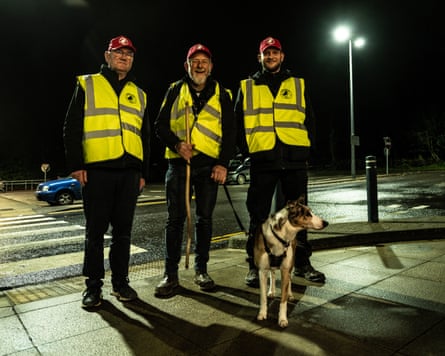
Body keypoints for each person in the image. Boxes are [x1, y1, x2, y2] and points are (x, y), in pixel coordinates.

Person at [63, 35, 151, 308]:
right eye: (119, 52)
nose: (125, 57)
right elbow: (72, 126)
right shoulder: (88, 84)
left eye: (129, 54)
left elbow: (144, 136)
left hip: (129, 172)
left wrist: (143, 173)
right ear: (107, 56)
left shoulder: (138, 92)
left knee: (123, 231)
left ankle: (121, 283)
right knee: (96, 232)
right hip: (98, 170)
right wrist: (77, 165)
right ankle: (93, 286)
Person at [234, 36, 326, 287]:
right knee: (258, 216)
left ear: (282, 56)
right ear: (260, 57)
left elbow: (311, 120)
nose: (271, 57)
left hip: (294, 160)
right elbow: (237, 124)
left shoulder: (298, 84)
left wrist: (307, 151)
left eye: (275, 53)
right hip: (263, 159)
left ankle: (302, 264)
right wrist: (247, 151)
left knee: (300, 216)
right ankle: (255, 265)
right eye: (266, 53)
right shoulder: (247, 86)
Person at [154, 43, 236, 297]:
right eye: (194, 61)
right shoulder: (175, 90)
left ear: (211, 67)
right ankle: (170, 274)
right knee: (175, 219)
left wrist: (223, 164)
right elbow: (160, 125)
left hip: (209, 166)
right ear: (187, 66)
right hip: (180, 165)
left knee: (204, 219)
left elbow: (231, 132)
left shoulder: (223, 93)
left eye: (204, 61)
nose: (199, 65)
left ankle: (202, 269)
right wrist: (177, 144)